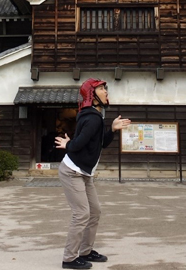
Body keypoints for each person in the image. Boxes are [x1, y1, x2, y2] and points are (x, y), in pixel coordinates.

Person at [54, 78, 131, 270]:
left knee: (94, 211)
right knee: (81, 214)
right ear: (92, 94)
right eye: (102, 89)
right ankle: (69, 258)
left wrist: (112, 129)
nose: (106, 92)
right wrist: (68, 145)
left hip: (84, 173)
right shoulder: (92, 117)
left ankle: (86, 251)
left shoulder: (93, 115)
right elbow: (78, 143)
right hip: (72, 172)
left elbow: (100, 143)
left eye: (105, 88)